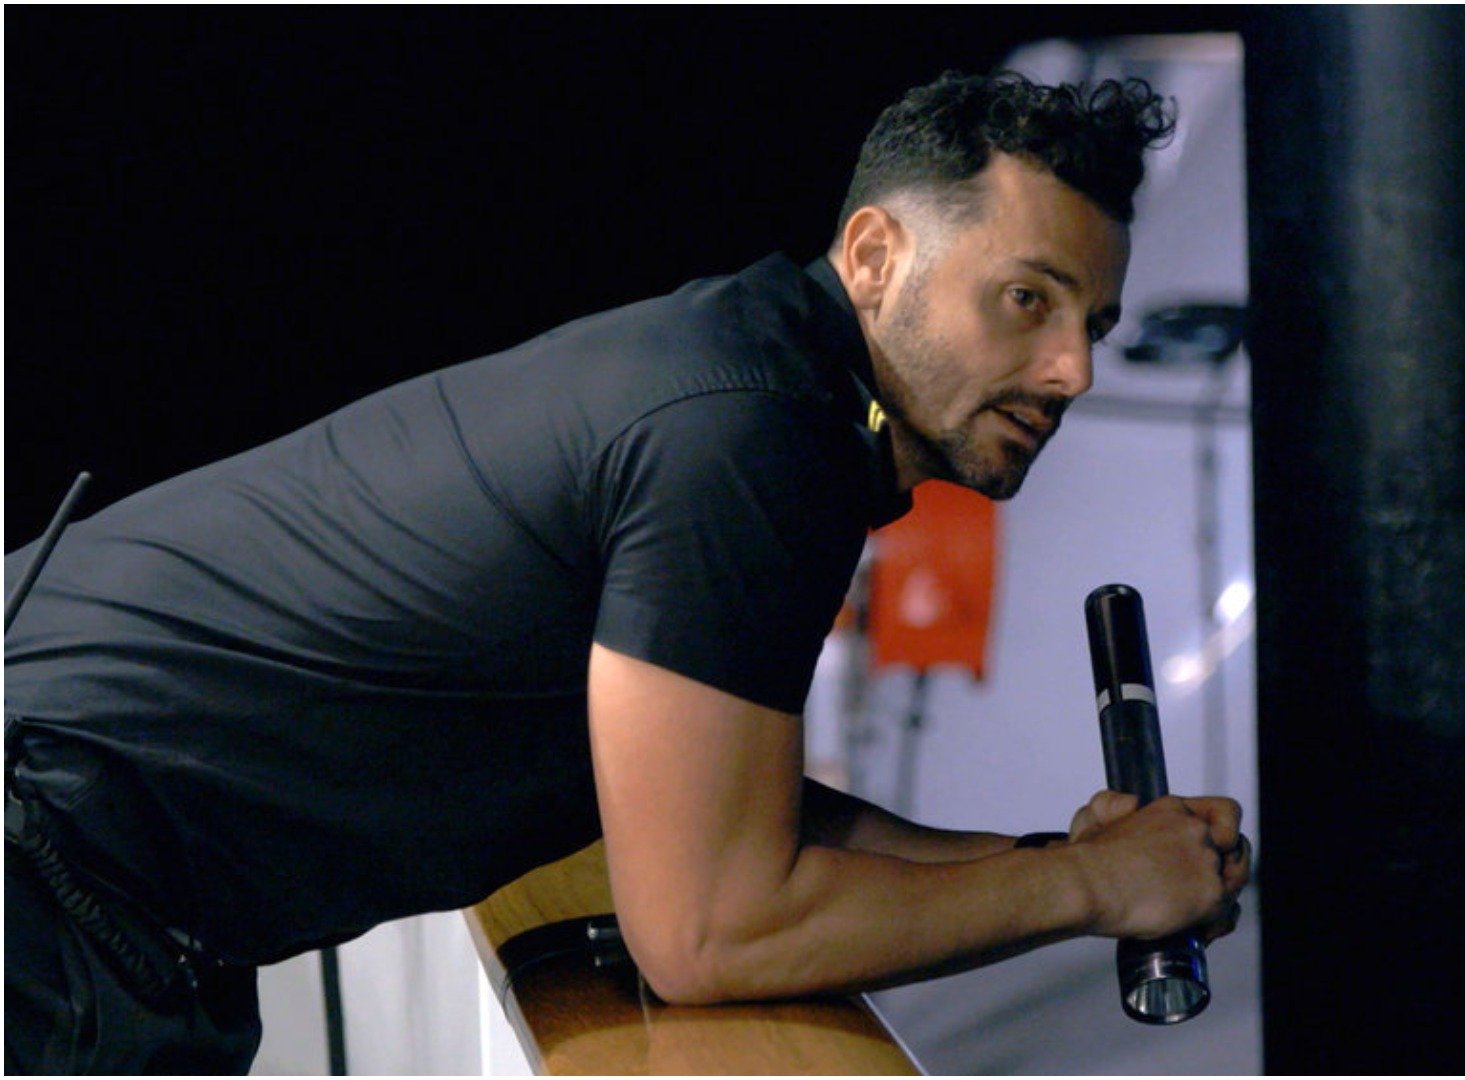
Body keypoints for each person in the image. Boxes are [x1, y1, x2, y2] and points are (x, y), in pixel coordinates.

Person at [4, 70, 1251, 1073]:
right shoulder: (752, 437)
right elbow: (710, 931)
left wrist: (1051, 858)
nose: (1070, 373)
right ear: (874, 257)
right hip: (46, 887)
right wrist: (1090, 890)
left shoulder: (761, 383)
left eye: (1090, 326)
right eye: (1026, 300)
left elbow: (736, 808)